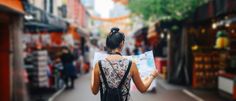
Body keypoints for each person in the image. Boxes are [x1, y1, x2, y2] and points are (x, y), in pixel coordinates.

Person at [91, 27, 159, 101]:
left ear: (108, 45)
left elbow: (94, 91)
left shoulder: (98, 65)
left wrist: (92, 73)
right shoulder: (131, 64)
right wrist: (152, 76)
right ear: (122, 43)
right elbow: (143, 89)